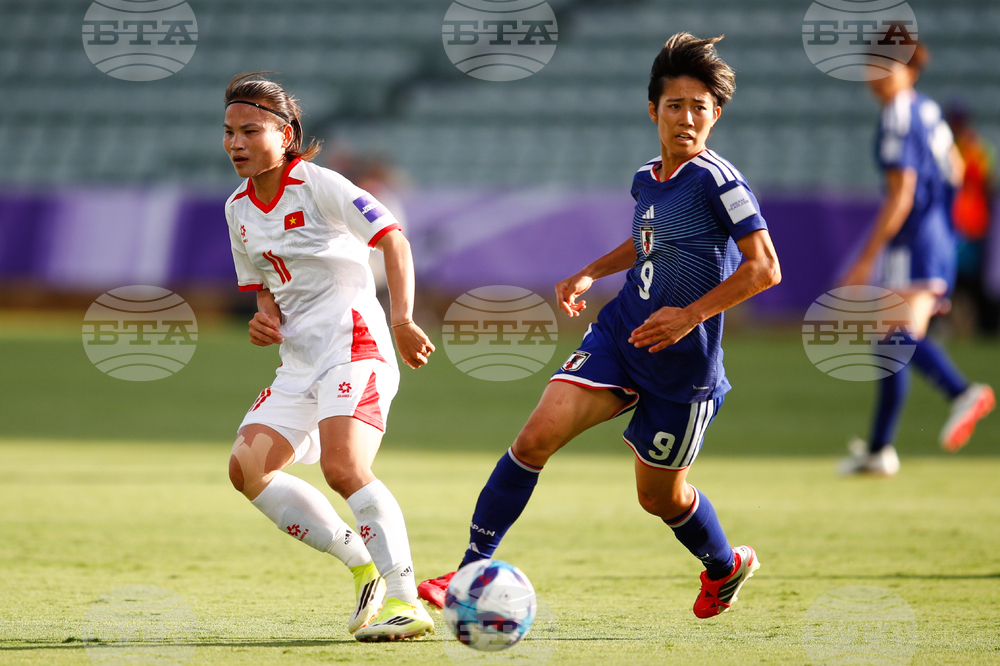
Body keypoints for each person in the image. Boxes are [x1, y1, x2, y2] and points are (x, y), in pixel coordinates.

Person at [418, 33, 781, 619]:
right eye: (674, 106)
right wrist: (591, 271)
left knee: (658, 498)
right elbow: (648, 239)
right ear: (653, 111)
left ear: (716, 114)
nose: (686, 119)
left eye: (699, 107)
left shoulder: (720, 181)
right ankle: (467, 572)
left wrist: (689, 316)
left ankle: (724, 566)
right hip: (621, 335)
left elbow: (765, 268)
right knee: (534, 439)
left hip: (683, 370)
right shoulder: (647, 177)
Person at [222, 72, 436, 641]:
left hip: (354, 344)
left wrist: (402, 319)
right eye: (229, 132)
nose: (236, 143)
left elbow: (394, 239)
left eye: (251, 131)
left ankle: (406, 599)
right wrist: (264, 319)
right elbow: (265, 288)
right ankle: (363, 566)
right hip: (300, 361)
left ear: (286, 134)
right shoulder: (237, 208)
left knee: (342, 467)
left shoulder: (319, 184)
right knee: (247, 470)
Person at [839, 44, 995, 476]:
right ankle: (879, 449)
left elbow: (901, 195)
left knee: (895, 338)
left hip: (914, 240)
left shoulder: (898, 114)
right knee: (890, 340)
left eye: (884, 65)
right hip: (935, 234)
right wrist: (940, 219)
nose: (874, 74)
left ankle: (961, 392)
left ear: (907, 70)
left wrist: (866, 257)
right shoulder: (927, 109)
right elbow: (956, 170)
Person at [946, 99, 999, 337]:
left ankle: (985, 326)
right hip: (952, 222)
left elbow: (988, 184)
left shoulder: (978, 149)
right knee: (950, 277)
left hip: (974, 224)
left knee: (973, 279)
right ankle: (944, 324)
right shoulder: (948, 147)